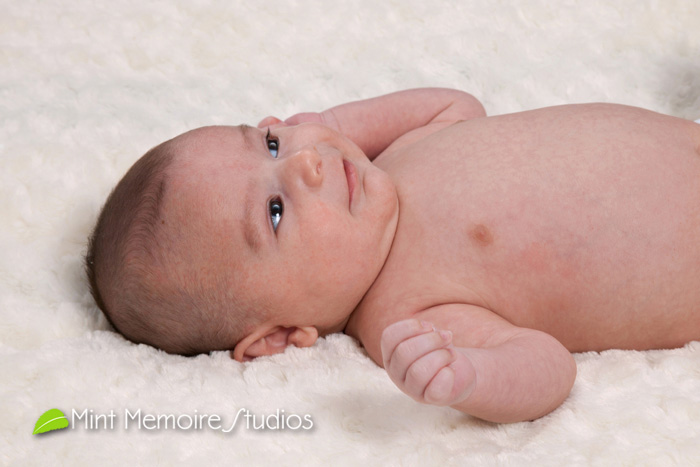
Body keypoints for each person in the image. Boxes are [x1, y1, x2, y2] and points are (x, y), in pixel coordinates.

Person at [86, 88, 700, 423]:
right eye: (274, 211)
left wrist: (334, 120)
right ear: (277, 336)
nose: (306, 161)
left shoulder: (395, 157)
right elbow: (548, 367)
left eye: (271, 142)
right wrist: (470, 377)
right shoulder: (405, 313)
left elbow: (457, 106)